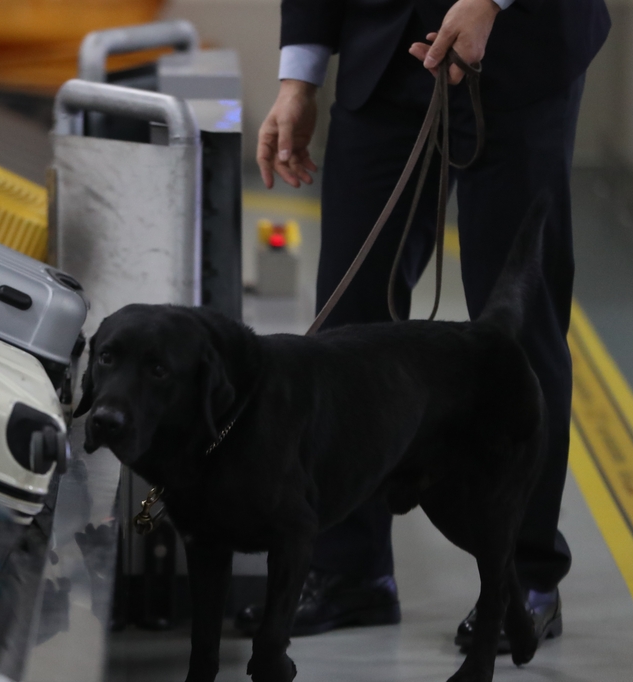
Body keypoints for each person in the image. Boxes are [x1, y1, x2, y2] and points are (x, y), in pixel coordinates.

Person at [237, 0, 611, 650]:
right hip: (383, 55)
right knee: (348, 319)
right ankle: (350, 569)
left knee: (518, 322)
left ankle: (523, 579)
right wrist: (299, 79)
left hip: (519, 52)